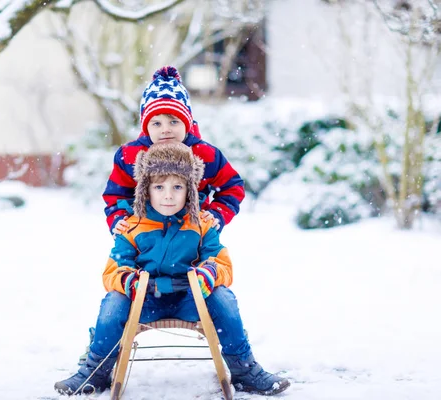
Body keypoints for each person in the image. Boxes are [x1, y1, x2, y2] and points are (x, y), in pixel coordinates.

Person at [55, 143, 290, 396]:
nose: (168, 195)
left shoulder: (201, 224)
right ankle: (95, 371)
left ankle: (245, 370)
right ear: (146, 190)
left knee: (224, 297)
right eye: (159, 187)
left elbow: (221, 263)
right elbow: (113, 270)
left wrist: (208, 273)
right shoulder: (132, 226)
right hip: (143, 301)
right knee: (113, 301)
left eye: (177, 187)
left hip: (191, 300)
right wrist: (130, 281)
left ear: (189, 190)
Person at [103, 65, 245, 236]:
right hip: (145, 236)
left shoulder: (205, 154)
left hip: (193, 234)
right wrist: (119, 218)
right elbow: (116, 195)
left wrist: (218, 214)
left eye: (174, 122)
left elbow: (232, 186)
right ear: (146, 126)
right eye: (157, 123)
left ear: (187, 123)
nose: (165, 130)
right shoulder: (129, 156)